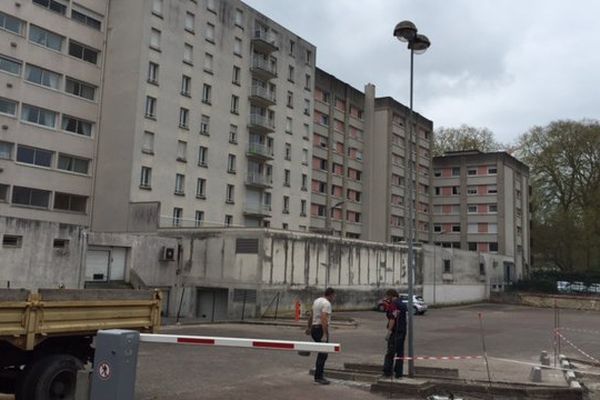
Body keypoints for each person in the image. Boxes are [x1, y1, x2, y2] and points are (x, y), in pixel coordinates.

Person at [306, 287, 335, 385]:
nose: (333, 298)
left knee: (322, 353)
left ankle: (319, 375)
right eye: (333, 296)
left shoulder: (317, 301)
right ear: (331, 295)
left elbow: (311, 315)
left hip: (314, 328)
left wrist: (309, 327)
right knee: (323, 354)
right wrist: (325, 334)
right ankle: (319, 377)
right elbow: (324, 319)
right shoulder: (327, 304)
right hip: (320, 329)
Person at [382, 289, 407, 379]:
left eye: (387, 296)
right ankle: (399, 374)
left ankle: (387, 372)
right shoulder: (402, 304)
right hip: (403, 331)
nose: (387, 298)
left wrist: (389, 332)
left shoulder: (393, 305)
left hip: (395, 331)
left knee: (390, 353)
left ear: (390, 295)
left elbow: (392, 319)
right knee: (400, 353)